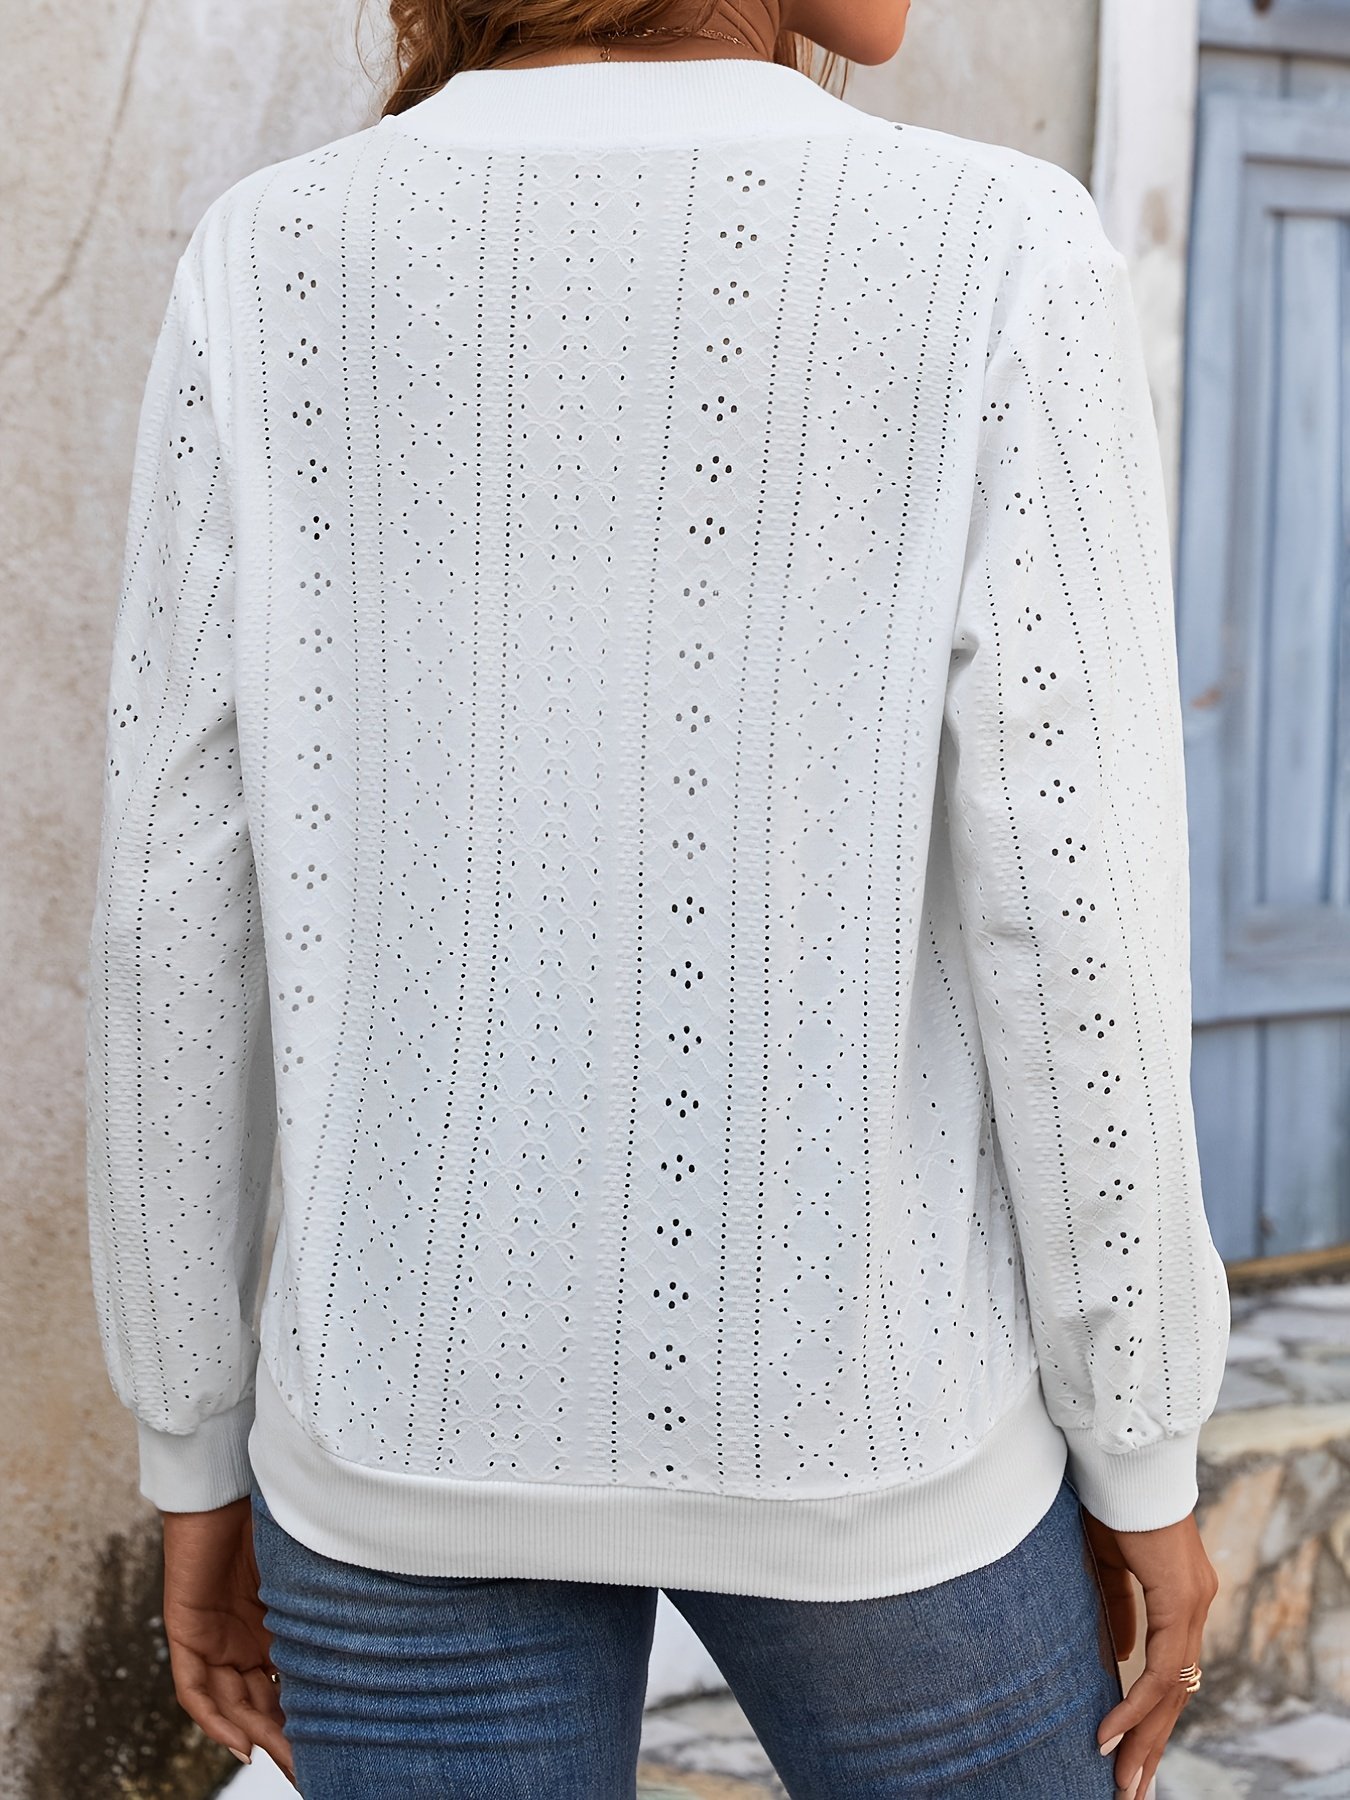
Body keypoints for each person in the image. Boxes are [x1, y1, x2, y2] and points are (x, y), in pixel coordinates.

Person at [84, 0, 1229, 1794]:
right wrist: (1139, 1442)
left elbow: (172, 907)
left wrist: (193, 1444)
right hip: (877, 1448)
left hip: (390, 1439)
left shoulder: (272, 258)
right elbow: (1071, 911)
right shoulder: (993, 250)